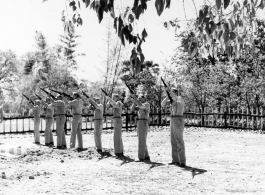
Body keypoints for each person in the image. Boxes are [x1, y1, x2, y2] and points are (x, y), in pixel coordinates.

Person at [161, 88, 186, 167]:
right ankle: (175, 160)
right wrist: (167, 97)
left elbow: (176, 98)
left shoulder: (179, 98)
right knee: (173, 140)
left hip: (178, 118)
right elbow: (162, 104)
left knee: (179, 140)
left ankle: (182, 161)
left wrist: (170, 93)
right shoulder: (172, 101)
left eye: (173, 92)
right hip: (172, 119)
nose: (171, 94)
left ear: (175, 92)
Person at [131, 94, 150, 162]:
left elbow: (141, 106)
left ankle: (141, 157)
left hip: (144, 121)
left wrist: (137, 101)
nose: (141, 98)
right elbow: (131, 109)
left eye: (143, 97)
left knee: (142, 139)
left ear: (145, 98)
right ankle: (146, 155)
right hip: (139, 121)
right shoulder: (139, 104)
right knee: (142, 139)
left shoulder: (146, 104)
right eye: (140, 98)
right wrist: (134, 102)